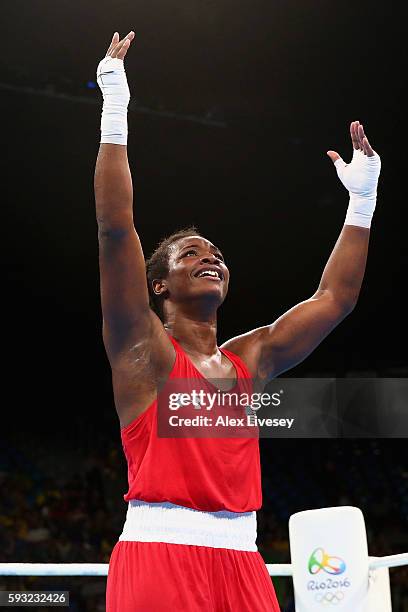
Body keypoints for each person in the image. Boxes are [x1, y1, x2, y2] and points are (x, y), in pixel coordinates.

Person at [94, 31, 381, 612]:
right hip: (159, 555)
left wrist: (363, 201)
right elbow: (116, 229)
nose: (211, 259)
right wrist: (115, 107)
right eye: (192, 254)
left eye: (217, 255)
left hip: (243, 560)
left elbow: (334, 299)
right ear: (160, 285)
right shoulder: (143, 350)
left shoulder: (251, 359)